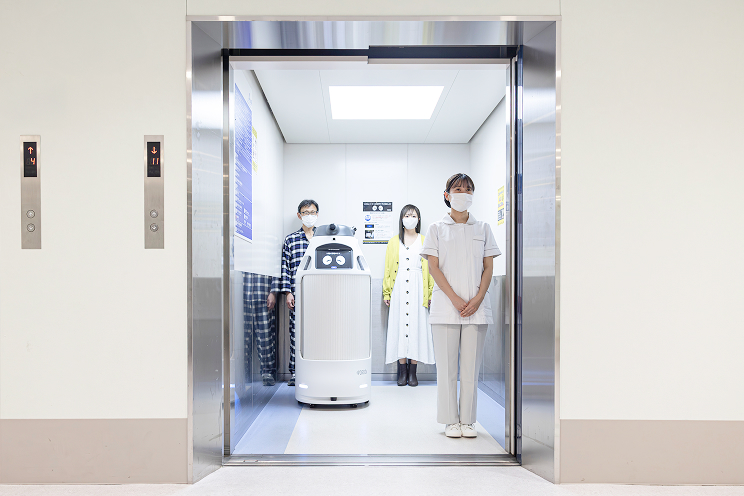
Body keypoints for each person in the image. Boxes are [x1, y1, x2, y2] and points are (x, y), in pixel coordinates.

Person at [421, 174, 501, 439]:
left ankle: (468, 421)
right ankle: (449, 420)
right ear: (447, 195)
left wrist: (478, 299)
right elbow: (433, 267)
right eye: (458, 189)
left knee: (470, 369)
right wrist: (455, 299)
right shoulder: (436, 228)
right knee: (446, 370)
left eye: (468, 189)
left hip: (477, 310)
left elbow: (488, 267)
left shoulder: (483, 228)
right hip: (446, 308)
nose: (463, 193)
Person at [383, 204, 435, 387]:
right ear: (401, 219)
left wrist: (430, 292)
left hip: (418, 287)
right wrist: (387, 291)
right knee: (399, 326)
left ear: (418, 219)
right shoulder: (393, 241)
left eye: (413, 215)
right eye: (407, 215)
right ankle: (402, 372)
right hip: (398, 287)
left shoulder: (425, 240)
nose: (410, 218)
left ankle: (413, 372)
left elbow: (431, 269)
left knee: (416, 326)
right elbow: (388, 269)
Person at [269, 199, 319, 386]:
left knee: (318, 333)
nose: (309, 216)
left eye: (312, 212)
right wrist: (287, 292)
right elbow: (285, 267)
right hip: (297, 295)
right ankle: (296, 372)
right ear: (299, 215)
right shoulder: (291, 240)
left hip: (319, 294)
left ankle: (316, 371)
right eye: (306, 213)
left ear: (317, 214)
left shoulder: (323, 238)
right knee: (296, 333)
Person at [246, 272, 278, 386]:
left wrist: (273, 292)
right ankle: (243, 373)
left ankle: (267, 373)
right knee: (243, 338)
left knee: (265, 337)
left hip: (263, 294)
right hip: (243, 295)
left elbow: (275, 269)